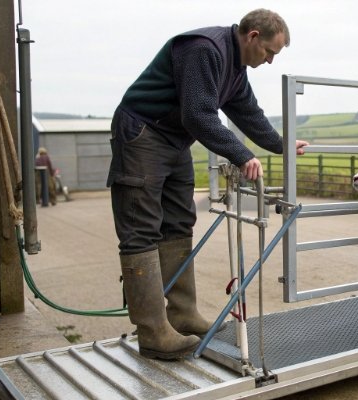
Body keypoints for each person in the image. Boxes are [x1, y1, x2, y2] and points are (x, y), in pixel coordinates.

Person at [107, 8, 309, 360]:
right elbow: (198, 113)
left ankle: (182, 315)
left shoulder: (235, 67)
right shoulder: (205, 49)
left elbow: (247, 113)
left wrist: (280, 144)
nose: (271, 61)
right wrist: (242, 155)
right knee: (141, 229)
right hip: (143, 132)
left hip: (174, 140)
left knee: (179, 222)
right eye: (270, 52)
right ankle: (153, 331)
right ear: (253, 37)